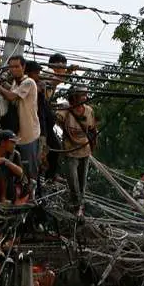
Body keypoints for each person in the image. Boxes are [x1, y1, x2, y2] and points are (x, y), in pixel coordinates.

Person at [0, 56, 40, 194]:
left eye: (17, 66)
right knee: (16, 167)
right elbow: (11, 91)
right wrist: (1, 84)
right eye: (11, 67)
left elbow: (10, 96)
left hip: (29, 134)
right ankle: (18, 193)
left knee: (29, 169)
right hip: (18, 134)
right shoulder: (17, 83)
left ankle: (32, 195)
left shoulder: (29, 82)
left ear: (23, 67)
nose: (14, 69)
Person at [55, 85, 98, 216]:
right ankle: (75, 205)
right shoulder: (65, 109)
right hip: (70, 150)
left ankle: (80, 207)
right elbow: (55, 117)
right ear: (74, 97)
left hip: (84, 149)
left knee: (82, 181)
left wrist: (93, 146)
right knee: (73, 181)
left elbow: (92, 129)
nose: (84, 98)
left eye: (85, 95)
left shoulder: (89, 110)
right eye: (81, 95)